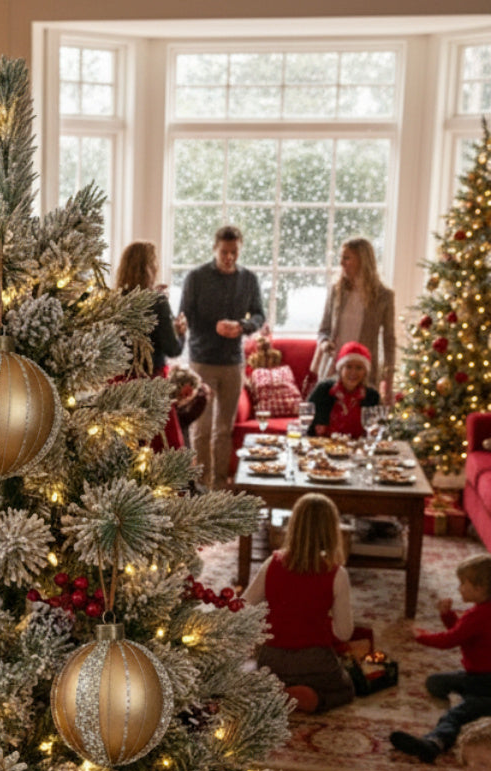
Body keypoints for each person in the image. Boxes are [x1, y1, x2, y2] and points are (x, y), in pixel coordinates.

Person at [242, 492, 355, 713]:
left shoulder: (272, 563)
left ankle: (277, 690)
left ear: (293, 526)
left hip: (272, 658)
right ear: (333, 531)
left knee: (263, 674)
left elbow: (243, 607)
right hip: (314, 660)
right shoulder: (336, 574)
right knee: (346, 689)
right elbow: (344, 633)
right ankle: (309, 697)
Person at [179, 225, 265, 489]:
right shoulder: (196, 277)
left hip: (232, 363)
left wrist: (241, 326)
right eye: (225, 252)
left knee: (223, 431)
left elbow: (259, 316)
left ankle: (218, 488)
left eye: (234, 252)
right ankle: (200, 487)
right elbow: (184, 316)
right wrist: (213, 327)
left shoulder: (248, 279)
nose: (229, 257)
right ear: (215, 249)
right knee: (201, 430)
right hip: (202, 361)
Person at [390, 553, 491, 763]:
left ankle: (434, 743)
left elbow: (449, 640)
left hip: (484, 684)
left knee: (454, 716)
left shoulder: (478, 616)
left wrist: (421, 636)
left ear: (480, 588)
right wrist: (447, 615)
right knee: (435, 682)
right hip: (477, 676)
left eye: (463, 583)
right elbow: (463, 633)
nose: (459, 588)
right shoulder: (479, 613)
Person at [316, 237, 395, 400]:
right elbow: (324, 330)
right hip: (334, 367)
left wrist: (389, 377)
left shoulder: (384, 296)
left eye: (346, 258)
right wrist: (324, 343)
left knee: (363, 419)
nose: (341, 263)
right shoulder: (336, 291)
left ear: (362, 260)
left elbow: (389, 339)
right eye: (341, 257)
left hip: (364, 370)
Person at [114, 241, 186, 378]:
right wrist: (181, 334)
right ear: (149, 268)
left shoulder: (114, 301)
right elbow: (172, 350)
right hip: (150, 379)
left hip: (119, 378)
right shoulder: (158, 302)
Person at [308, 340, 380, 439]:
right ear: (340, 369)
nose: (353, 372)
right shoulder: (323, 389)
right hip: (324, 448)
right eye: (348, 367)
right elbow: (307, 422)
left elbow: (374, 430)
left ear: (365, 372)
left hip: (358, 450)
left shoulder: (372, 396)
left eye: (359, 368)